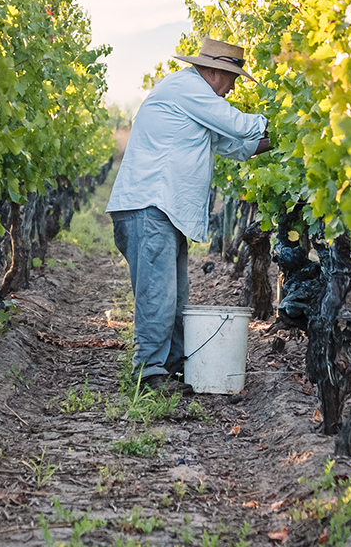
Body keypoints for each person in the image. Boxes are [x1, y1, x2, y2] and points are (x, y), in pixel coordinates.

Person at [106, 37, 270, 394]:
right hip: (150, 206)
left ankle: (173, 365)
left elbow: (237, 145)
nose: (233, 88)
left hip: (164, 210)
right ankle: (148, 373)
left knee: (176, 294)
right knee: (158, 295)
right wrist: (289, 122)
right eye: (233, 78)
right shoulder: (188, 88)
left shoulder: (196, 105)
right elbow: (241, 125)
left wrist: (278, 139)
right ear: (213, 72)